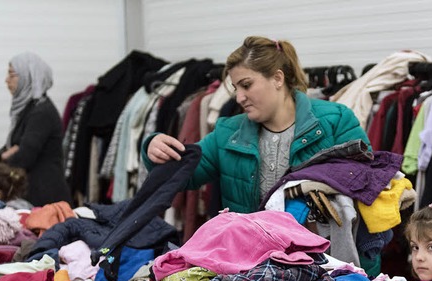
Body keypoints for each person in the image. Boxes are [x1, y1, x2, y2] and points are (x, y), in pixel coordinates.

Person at [142, 36, 370, 214]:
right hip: (256, 266)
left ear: (278, 78)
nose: (239, 97)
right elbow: (183, 176)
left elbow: (367, 186)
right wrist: (153, 148)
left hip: (328, 265)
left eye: (246, 85)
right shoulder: (228, 133)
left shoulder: (335, 120)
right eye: (235, 88)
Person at [0, 51, 72, 207]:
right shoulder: (27, 110)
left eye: (12, 75)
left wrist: (9, 155)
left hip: (46, 200)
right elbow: (4, 153)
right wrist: (7, 154)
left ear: (28, 77)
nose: (6, 80)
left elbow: (23, 158)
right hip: (33, 196)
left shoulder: (41, 112)